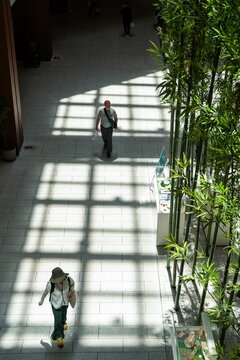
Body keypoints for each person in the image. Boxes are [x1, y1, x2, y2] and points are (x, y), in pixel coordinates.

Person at [38, 267, 75, 348]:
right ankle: (59, 337)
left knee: (63, 316)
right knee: (57, 320)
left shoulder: (68, 280)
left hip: (65, 303)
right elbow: (45, 292)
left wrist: (71, 291)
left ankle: (63, 323)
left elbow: (72, 284)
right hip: (56, 304)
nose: (61, 281)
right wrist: (41, 300)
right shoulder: (50, 285)